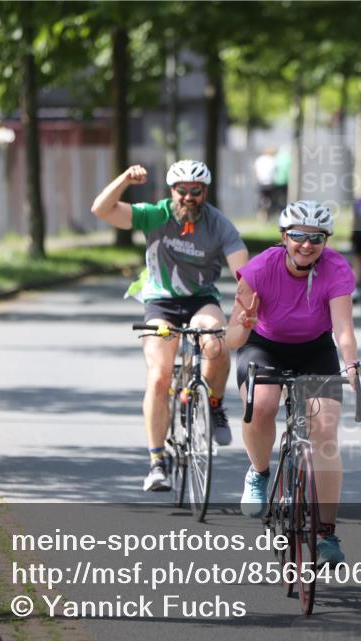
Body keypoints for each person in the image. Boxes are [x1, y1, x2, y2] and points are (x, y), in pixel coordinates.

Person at [91, 160, 248, 492]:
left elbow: (244, 275)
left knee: (216, 344)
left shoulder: (218, 224)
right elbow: (101, 210)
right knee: (160, 375)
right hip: (161, 301)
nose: (189, 197)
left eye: (196, 191)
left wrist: (245, 311)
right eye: (182, 190)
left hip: (200, 299)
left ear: (205, 192)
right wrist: (124, 179)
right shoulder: (155, 214)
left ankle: (214, 405)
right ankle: (157, 461)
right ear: (172, 191)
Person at [226, 200, 361, 568]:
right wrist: (244, 322)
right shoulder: (260, 269)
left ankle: (327, 533)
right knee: (262, 405)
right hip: (263, 345)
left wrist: (352, 364)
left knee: (325, 430)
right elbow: (232, 340)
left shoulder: (336, 268)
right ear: (284, 237)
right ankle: (259, 472)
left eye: (316, 238)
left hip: (314, 350)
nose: (307, 245)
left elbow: (343, 328)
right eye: (299, 236)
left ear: (325, 241)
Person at [254, 148, 277, 222]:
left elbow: (256, 171)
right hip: (270, 183)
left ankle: (261, 215)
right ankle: (269, 216)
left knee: (261, 199)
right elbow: (275, 171)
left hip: (261, 183)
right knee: (271, 200)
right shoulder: (272, 160)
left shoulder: (259, 160)